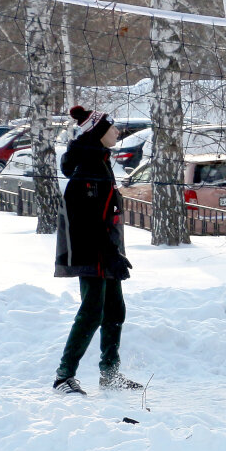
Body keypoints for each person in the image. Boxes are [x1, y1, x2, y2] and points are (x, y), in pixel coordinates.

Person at [53, 105, 140, 395]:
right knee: (92, 312)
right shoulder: (87, 169)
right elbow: (85, 222)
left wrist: (115, 253)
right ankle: (64, 376)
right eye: (112, 128)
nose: (117, 132)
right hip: (93, 254)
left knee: (115, 309)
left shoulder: (99, 161)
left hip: (108, 253)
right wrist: (109, 253)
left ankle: (109, 374)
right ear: (98, 133)